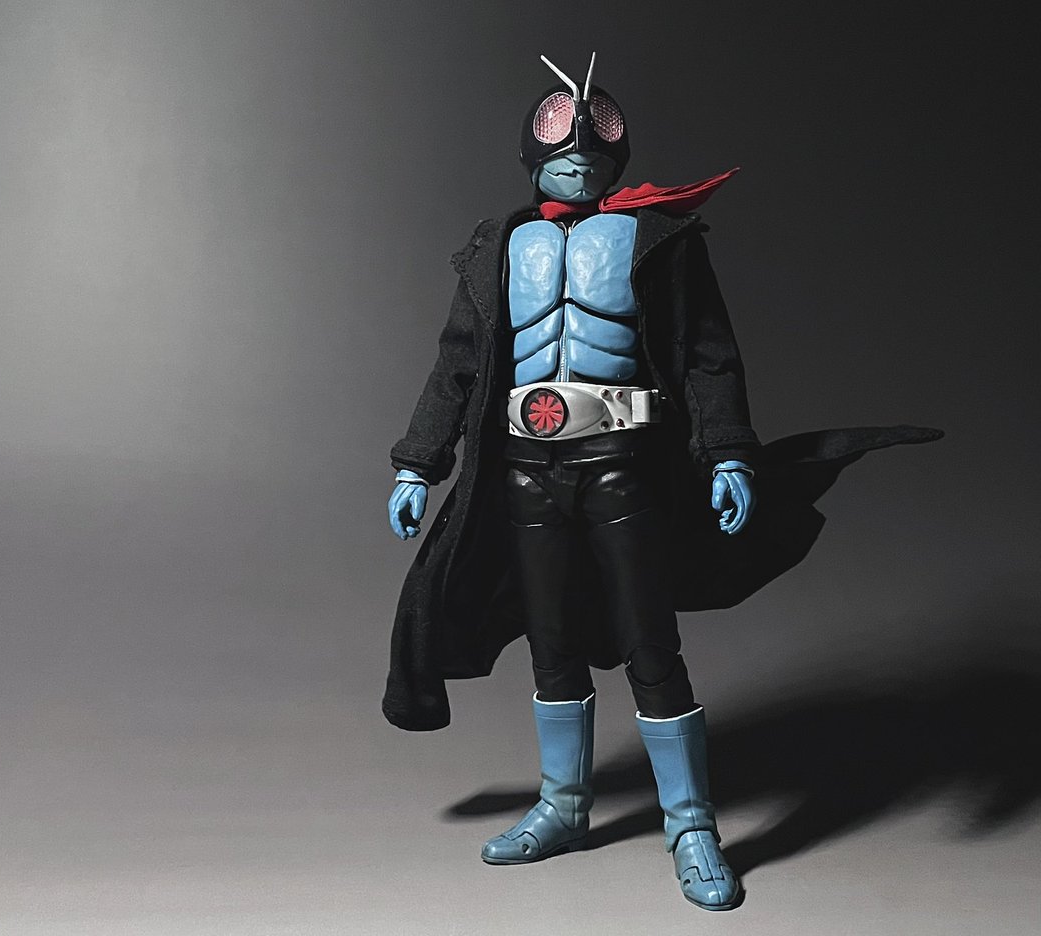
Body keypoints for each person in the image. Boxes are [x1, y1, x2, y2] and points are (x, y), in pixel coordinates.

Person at [384, 53, 940, 912]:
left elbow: (707, 357)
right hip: (526, 470)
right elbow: (457, 365)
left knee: (651, 646)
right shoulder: (498, 246)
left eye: (594, 139)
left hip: (623, 466)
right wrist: (419, 464)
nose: (577, 154)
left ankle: (691, 825)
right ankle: (564, 804)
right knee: (550, 642)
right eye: (559, 140)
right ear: (530, 152)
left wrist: (728, 453)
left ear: (618, 149)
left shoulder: (658, 239)